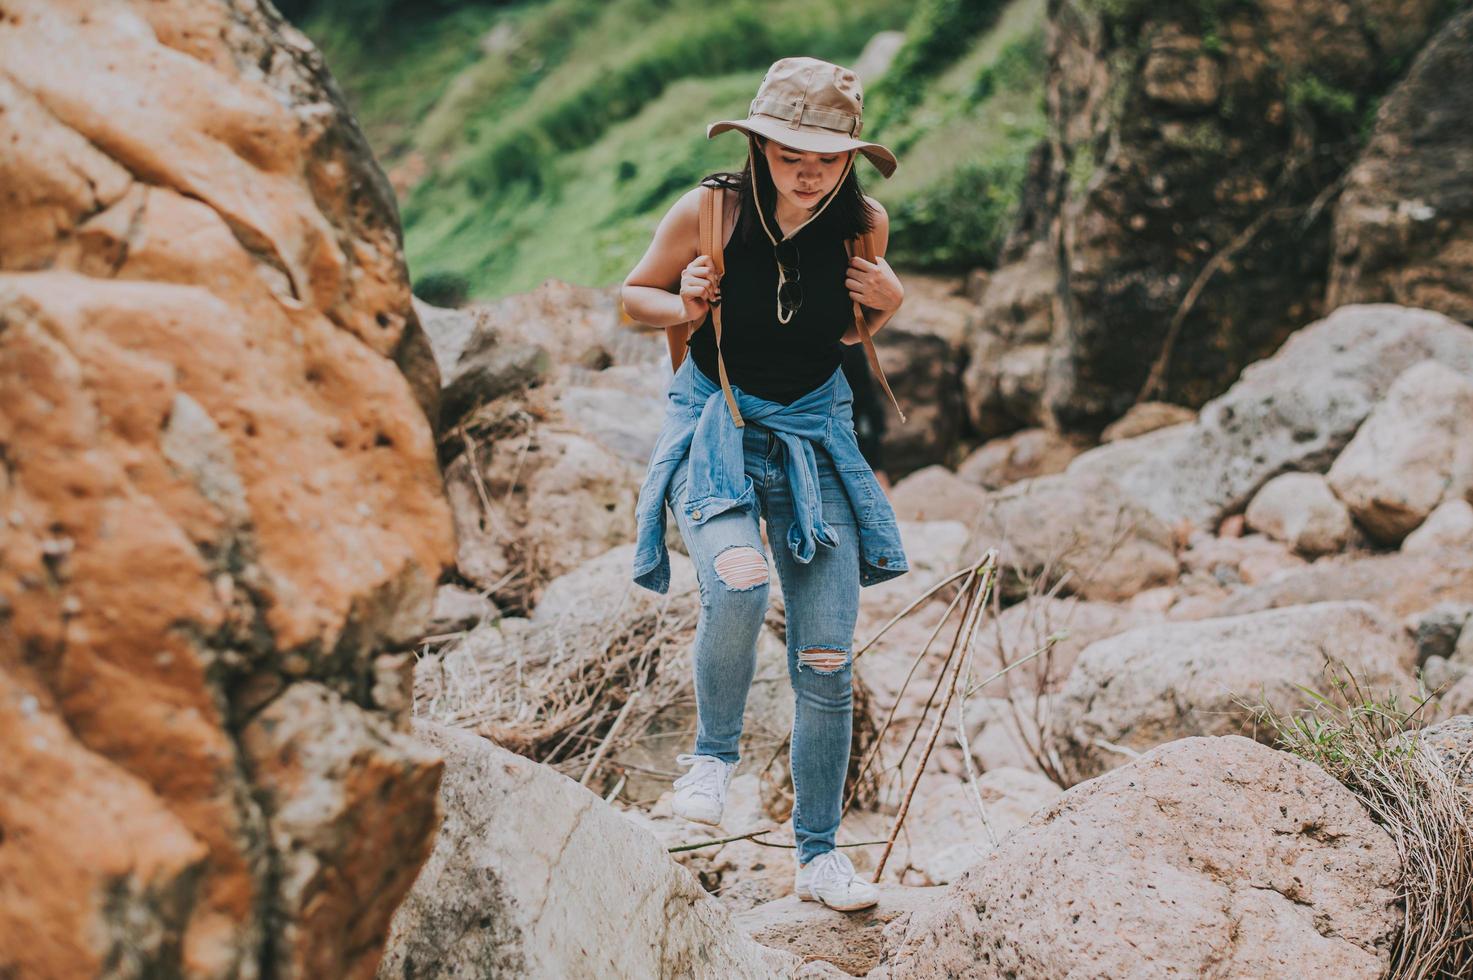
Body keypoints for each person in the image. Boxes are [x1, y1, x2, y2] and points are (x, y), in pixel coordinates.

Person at [622, 57, 911, 912]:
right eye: (790, 148)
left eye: (826, 152)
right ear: (759, 143)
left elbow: (847, 335)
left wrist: (887, 302)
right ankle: (710, 762)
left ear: (849, 155)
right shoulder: (709, 210)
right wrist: (682, 304)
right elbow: (633, 294)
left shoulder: (864, 224)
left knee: (825, 658)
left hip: (814, 440)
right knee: (738, 581)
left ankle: (819, 858)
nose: (808, 166)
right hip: (718, 428)